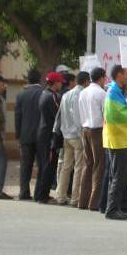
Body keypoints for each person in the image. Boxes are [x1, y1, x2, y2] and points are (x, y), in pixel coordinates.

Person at [103, 65, 127, 220]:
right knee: (118, 176)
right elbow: (117, 114)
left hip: (125, 139)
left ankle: (123, 205)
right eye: (126, 74)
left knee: (124, 175)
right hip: (118, 140)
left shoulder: (118, 92)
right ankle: (112, 209)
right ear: (119, 75)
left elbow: (123, 107)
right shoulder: (112, 91)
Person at [52, 71, 89, 206]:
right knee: (79, 167)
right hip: (76, 135)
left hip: (66, 134)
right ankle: (75, 198)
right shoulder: (80, 94)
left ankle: (60, 196)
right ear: (86, 82)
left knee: (66, 167)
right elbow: (78, 117)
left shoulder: (66, 94)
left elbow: (59, 115)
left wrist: (58, 130)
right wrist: (82, 135)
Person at [77, 67, 107, 211]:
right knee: (99, 166)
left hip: (85, 129)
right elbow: (106, 115)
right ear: (101, 78)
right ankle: (94, 202)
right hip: (97, 131)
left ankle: (82, 201)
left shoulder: (83, 92)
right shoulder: (102, 93)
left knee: (87, 165)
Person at [14, 69, 43, 201]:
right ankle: (39, 193)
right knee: (41, 165)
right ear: (39, 79)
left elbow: (17, 117)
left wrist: (18, 135)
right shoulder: (43, 93)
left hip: (25, 136)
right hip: (41, 136)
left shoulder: (20, 95)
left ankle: (23, 192)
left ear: (28, 79)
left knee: (25, 165)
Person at [35, 72, 63, 203]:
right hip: (49, 135)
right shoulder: (51, 97)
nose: (61, 84)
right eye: (59, 82)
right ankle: (43, 196)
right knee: (48, 166)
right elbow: (59, 114)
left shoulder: (43, 94)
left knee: (43, 165)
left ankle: (38, 194)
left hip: (42, 133)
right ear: (55, 83)